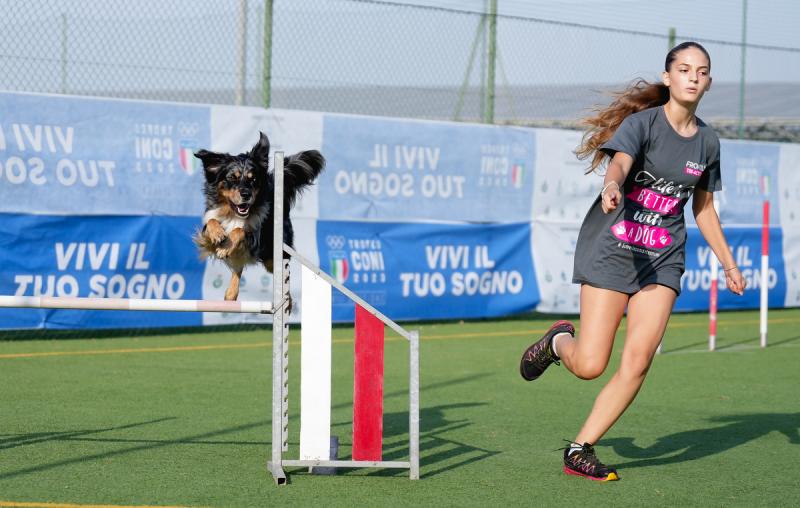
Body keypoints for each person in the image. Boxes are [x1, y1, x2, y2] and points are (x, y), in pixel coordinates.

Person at [519, 41, 746, 482]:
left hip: (662, 260)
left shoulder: (709, 141)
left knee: (639, 361)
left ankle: (579, 449)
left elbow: (703, 209)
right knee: (589, 366)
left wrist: (729, 264)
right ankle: (556, 343)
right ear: (668, 77)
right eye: (684, 69)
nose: (693, 76)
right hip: (613, 249)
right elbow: (619, 163)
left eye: (701, 71)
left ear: (709, 82)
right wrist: (611, 186)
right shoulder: (643, 124)